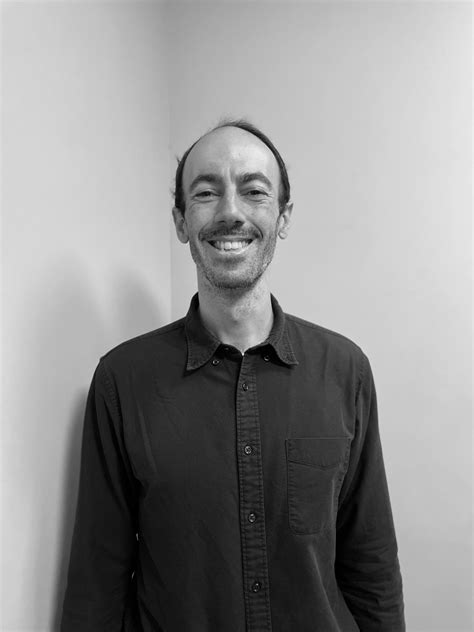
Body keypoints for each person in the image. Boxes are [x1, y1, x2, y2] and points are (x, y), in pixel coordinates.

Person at [61, 119, 405, 631]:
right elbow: (98, 582)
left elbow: (371, 565)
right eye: (206, 192)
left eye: (254, 191)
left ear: (283, 216)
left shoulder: (345, 370)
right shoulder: (121, 381)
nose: (230, 212)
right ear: (180, 221)